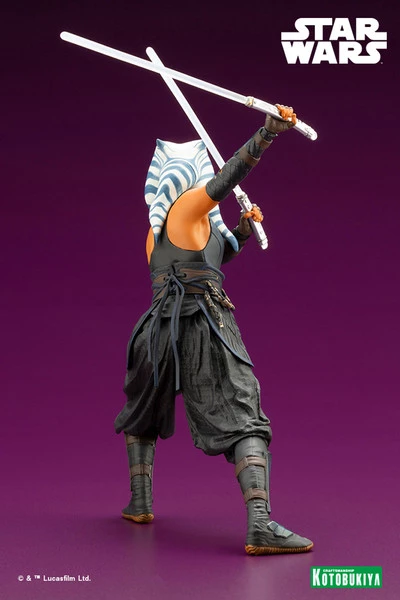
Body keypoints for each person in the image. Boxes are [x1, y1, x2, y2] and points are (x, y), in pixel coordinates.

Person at [114, 105, 313, 555]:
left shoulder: (162, 230)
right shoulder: (186, 207)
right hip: (203, 326)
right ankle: (260, 524)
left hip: (154, 334)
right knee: (244, 414)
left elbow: (209, 260)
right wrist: (266, 134)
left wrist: (239, 232)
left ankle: (140, 503)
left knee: (142, 411)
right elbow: (224, 181)